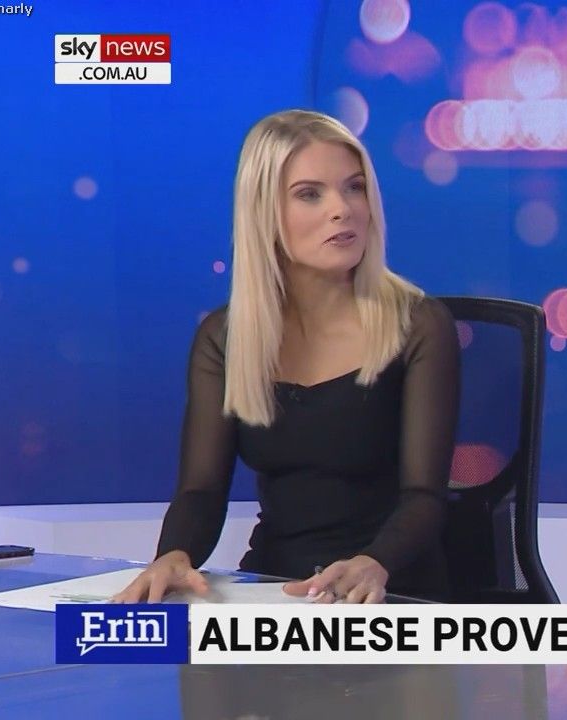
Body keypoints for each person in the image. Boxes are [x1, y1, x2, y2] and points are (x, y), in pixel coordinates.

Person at [112, 110, 460, 604]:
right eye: (310, 194)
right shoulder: (225, 338)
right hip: (275, 590)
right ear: (264, 213)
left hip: (390, 591)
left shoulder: (418, 325)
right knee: (114, 639)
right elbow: (201, 491)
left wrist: (374, 563)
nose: (342, 209)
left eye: (355, 188)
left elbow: (424, 498)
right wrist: (174, 554)